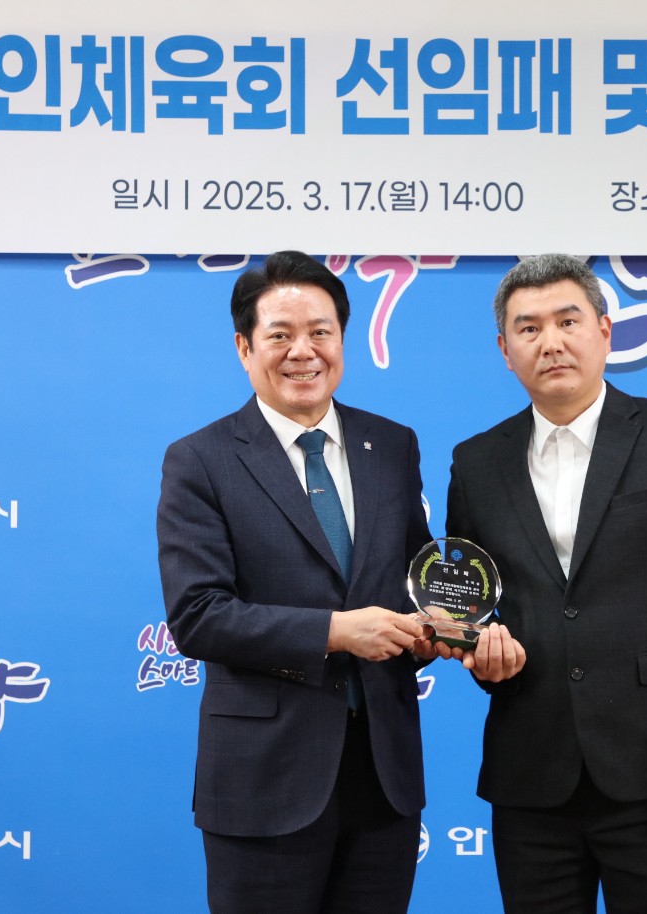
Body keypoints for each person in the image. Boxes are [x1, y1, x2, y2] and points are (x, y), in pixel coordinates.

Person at [443, 253, 647, 914]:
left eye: (568, 321)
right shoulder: (475, 463)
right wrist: (482, 655)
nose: (551, 342)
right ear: (505, 351)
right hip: (529, 775)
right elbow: (475, 609)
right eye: (529, 328)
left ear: (605, 332)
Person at [156, 250, 435, 914]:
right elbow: (198, 615)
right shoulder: (201, 460)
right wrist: (337, 632)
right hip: (266, 778)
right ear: (244, 348)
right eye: (280, 334)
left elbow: (416, 581)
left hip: (383, 776)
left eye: (320, 332)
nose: (303, 352)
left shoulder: (391, 446)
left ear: (342, 340)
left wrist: (442, 631)